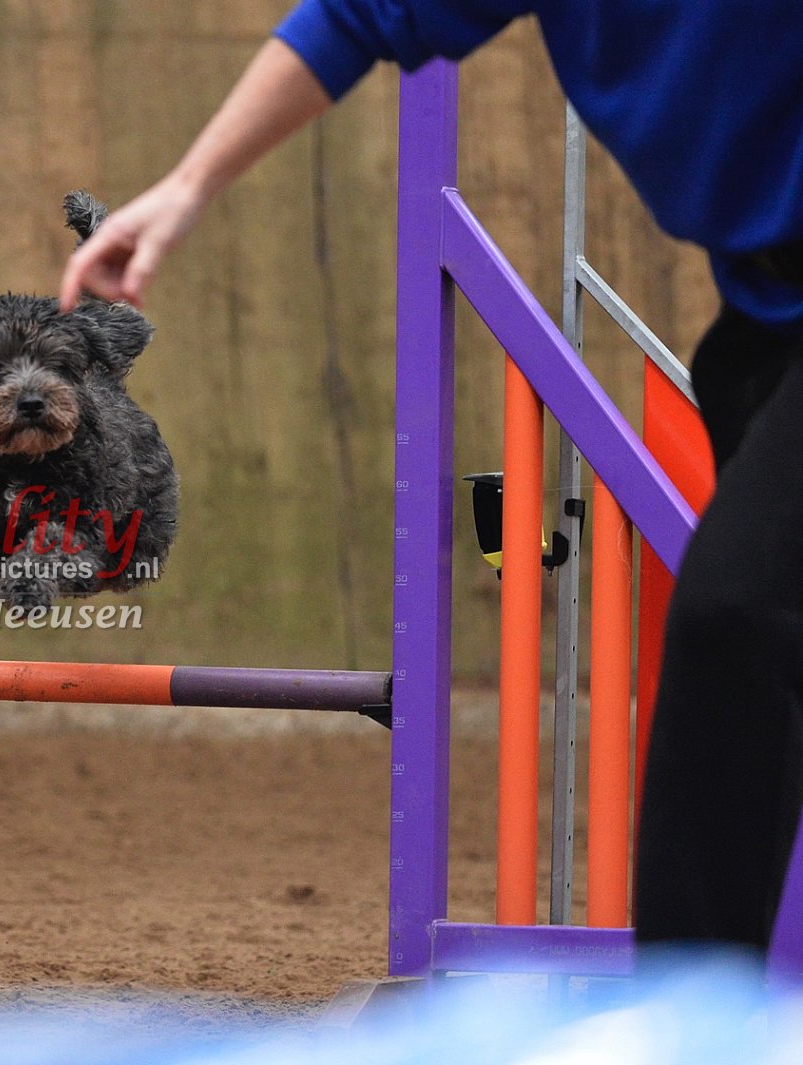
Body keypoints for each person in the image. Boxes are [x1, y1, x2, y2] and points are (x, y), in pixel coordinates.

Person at [60, 1, 803, 954]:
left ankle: (690, 1013)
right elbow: (357, 15)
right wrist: (186, 188)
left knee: (732, 616)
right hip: (767, 320)